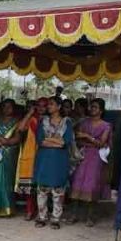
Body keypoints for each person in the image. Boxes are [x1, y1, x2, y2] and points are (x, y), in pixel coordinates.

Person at [69, 98, 111, 227]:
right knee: (77, 182)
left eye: (95, 107)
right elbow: (77, 139)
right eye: (91, 107)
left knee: (92, 185)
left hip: (96, 158)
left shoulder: (106, 125)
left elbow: (101, 143)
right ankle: (73, 215)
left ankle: (90, 217)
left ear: (101, 110)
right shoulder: (84, 122)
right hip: (83, 155)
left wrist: (87, 137)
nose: (92, 109)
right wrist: (90, 141)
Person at [33, 96, 73, 230]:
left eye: (51, 104)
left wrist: (50, 140)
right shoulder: (43, 121)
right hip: (44, 159)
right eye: (48, 104)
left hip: (59, 160)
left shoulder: (67, 123)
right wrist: (56, 140)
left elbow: (65, 142)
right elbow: (40, 140)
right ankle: (42, 217)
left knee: (58, 190)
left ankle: (56, 218)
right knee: (42, 190)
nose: (48, 106)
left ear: (59, 107)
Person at [14, 97, 48, 221]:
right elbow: (21, 128)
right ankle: (29, 210)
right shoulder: (32, 119)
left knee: (43, 186)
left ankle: (41, 212)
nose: (41, 108)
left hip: (44, 153)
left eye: (44, 106)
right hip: (30, 154)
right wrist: (29, 113)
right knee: (30, 186)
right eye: (38, 105)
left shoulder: (49, 121)